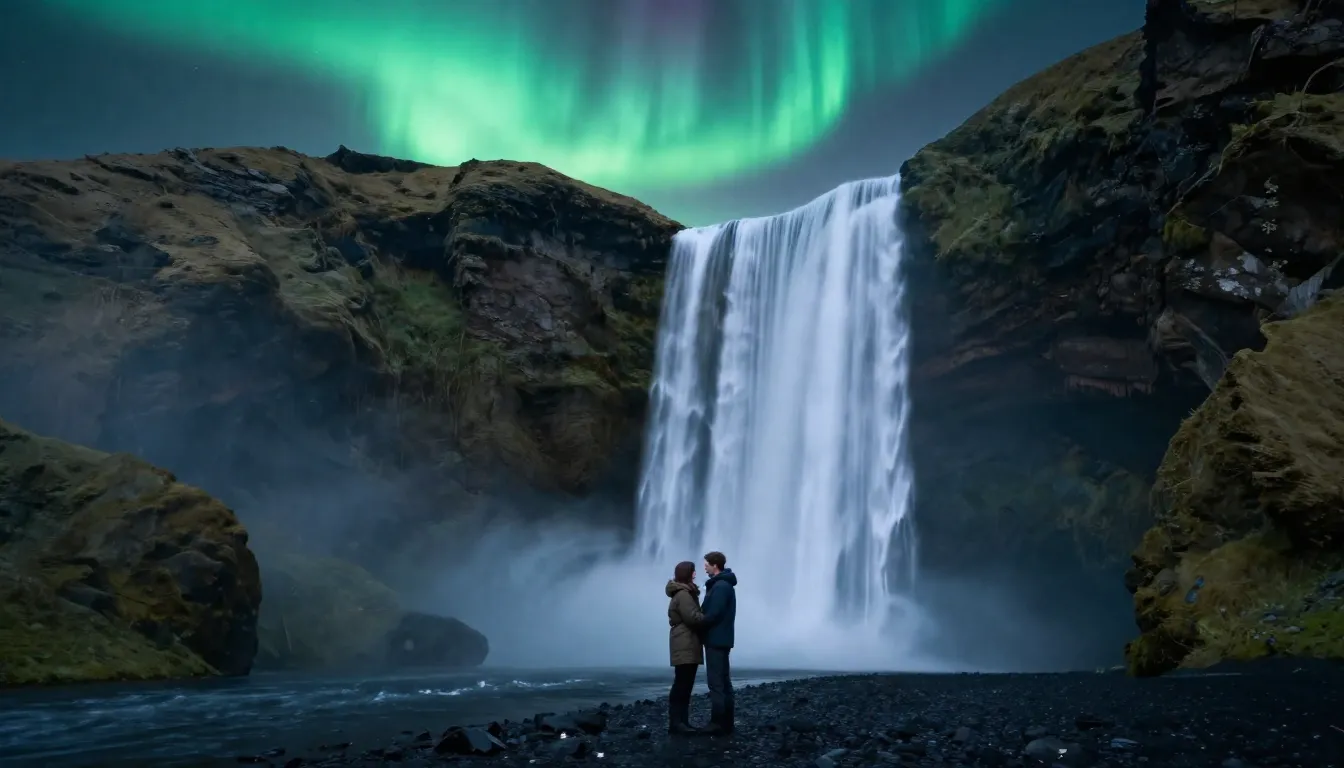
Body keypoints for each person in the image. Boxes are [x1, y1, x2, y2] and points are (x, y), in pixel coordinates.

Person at [699, 550, 737, 735]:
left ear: (715, 565)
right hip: (722, 637)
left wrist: (698, 622)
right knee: (723, 681)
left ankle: (718, 723)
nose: (704, 566)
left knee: (716, 682)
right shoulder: (723, 584)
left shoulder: (721, 586)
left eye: (706, 563)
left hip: (716, 638)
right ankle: (727, 722)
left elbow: (714, 613)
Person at [666, 560, 706, 735]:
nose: (695, 574)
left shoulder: (684, 593)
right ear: (687, 574)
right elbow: (693, 618)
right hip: (685, 642)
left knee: (683, 684)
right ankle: (678, 723)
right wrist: (708, 617)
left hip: (685, 641)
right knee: (683, 684)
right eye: (693, 571)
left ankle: (681, 722)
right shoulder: (683, 594)